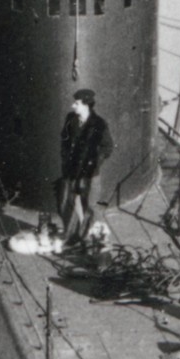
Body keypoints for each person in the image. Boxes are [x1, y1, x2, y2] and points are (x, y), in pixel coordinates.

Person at [57, 88, 113, 243]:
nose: (73, 106)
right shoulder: (70, 119)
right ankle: (70, 235)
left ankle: (88, 239)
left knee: (90, 207)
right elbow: (65, 140)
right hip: (71, 171)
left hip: (89, 174)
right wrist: (65, 158)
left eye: (76, 103)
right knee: (66, 204)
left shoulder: (99, 124)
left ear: (86, 105)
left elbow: (108, 147)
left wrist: (94, 161)